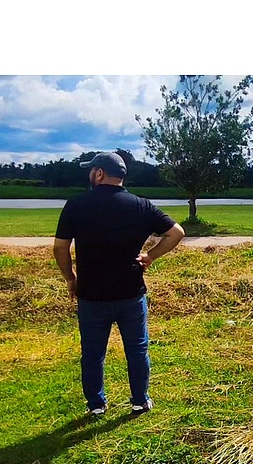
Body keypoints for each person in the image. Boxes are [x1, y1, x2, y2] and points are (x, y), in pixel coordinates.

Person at [53, 152, 185, 417]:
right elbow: (176, 232)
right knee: (137, 350)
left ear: (99, 173)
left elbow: (59, 247)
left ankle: (96, 404)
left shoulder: (76, 204)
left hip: (91, 295)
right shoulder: (141, 205)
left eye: (91, 170)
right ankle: (140, 401)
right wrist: (151, 256)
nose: (90, 174)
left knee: (93, 353)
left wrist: (70, 278)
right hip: (130, 293)